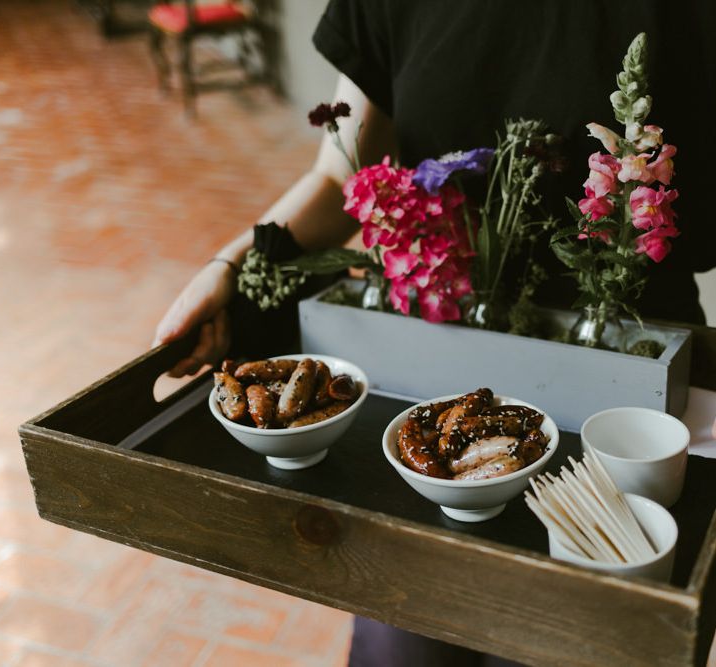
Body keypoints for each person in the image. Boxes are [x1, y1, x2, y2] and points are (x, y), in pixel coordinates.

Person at [154, 2, 716, 664]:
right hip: (434, 374)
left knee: (586, 638)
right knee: (403, 643)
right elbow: (338, 176)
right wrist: (228, 267)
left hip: (627, 392)